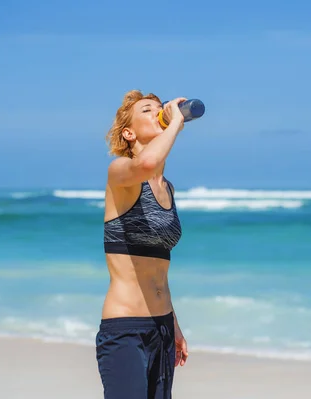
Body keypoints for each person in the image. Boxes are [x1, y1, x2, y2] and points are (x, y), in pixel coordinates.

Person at [95, 90, 189, 399]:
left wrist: (173, 323)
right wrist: (176, 121)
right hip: (125, 329)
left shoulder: (167, 188)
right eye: (147, 110)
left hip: (160, 327)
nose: (158, 113)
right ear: (129, 132)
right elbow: (147, 163)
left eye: (160, 109)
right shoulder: (120, 171)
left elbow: (158, 268)